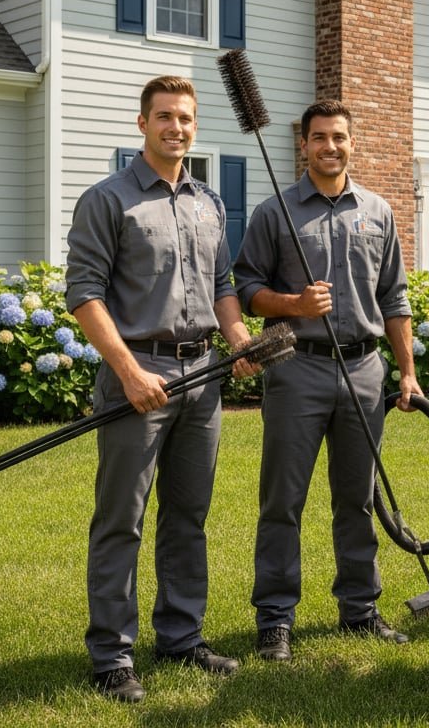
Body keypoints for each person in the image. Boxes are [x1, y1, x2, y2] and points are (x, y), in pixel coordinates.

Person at [66, 75, 256, 703]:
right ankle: (112, 656)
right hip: (138, 377)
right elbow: (85, 296)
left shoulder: (208, 201)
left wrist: (236, 338)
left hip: (203, 379)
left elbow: (223, 282)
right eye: (166, 116)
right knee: (122, 519)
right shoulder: (107, 200)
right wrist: (127, 372)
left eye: (187, 118)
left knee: (189, 515)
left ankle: (181, 636)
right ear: (142, 123)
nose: (178, 127)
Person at [232, 99, 423, 662]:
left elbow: (394, 297)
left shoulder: (379, 211)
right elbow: (246, 287)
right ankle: (275, 620)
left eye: (339, 137)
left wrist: (406, 370)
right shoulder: (275, 212)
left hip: (365, 370)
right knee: (282, 501)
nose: (330, 147)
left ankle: (359, 610)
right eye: (319, 138)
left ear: (351, 143)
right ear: (305, 145)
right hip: (296, 368)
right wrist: (293, 302)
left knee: (357, 499)